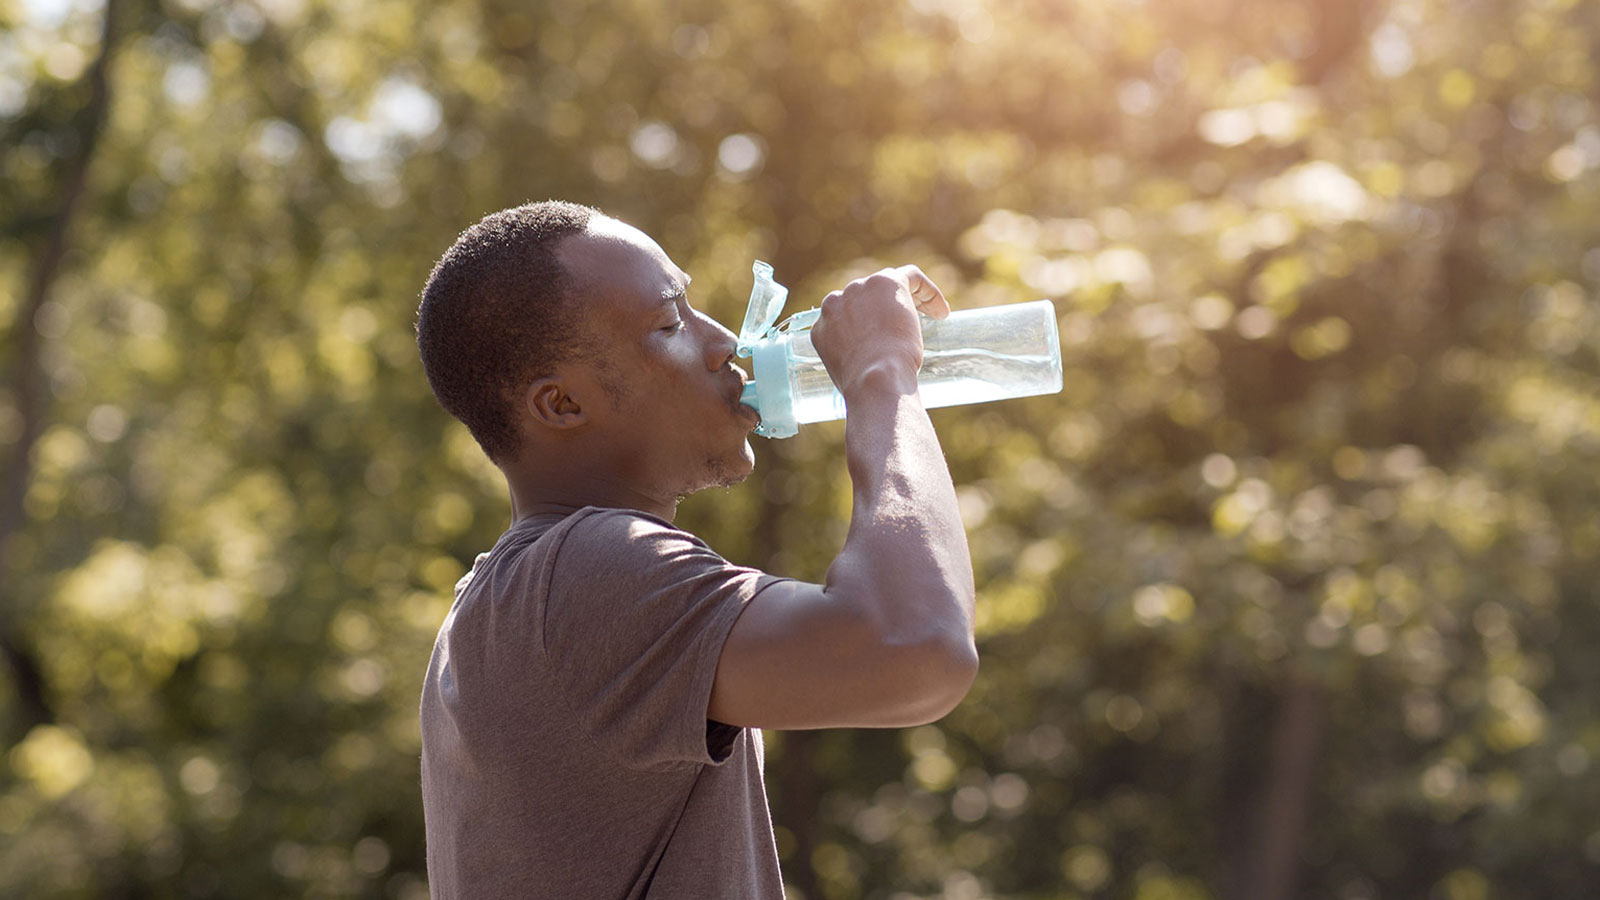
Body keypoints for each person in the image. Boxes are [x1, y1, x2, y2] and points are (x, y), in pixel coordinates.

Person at [414, 200, 977, 899]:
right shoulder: (587, 572)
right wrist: (882, 375)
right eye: (669, 323)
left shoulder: (508, 597)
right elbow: (918, 649)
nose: (723, 345)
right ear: (562, 405)